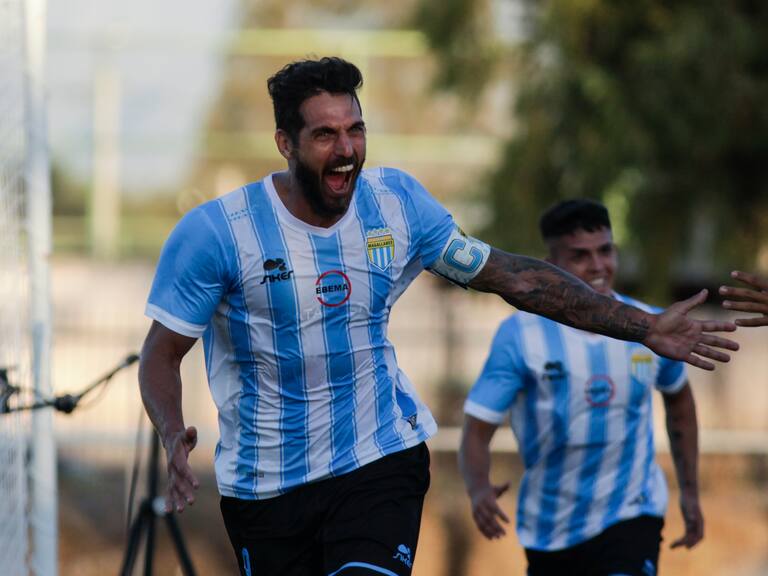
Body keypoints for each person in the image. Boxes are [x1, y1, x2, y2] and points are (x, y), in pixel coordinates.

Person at [139, 57, 736, 576]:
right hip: (265, 485)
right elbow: (161, 355)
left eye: (355, 130)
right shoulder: (218, 233)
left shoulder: (397, 204)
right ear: (285, 143)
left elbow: (514, 277)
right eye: (324, 135)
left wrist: (642, 326)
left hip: (378, 457)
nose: (346, 151)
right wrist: (171, 434)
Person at [460, 199, 704, 576]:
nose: (597, 266)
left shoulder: (652, 328)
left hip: (632, 514)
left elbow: (680, 401)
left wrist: (688, 490)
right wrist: (478, 487)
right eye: (579, 256)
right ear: (551, 265)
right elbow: (477, 428)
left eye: (605, 251)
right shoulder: (519, 335)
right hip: (550, 529)